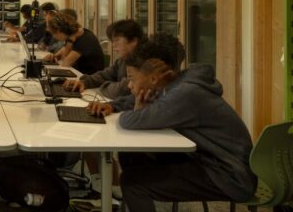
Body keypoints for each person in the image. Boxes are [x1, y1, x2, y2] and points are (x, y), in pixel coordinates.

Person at [87, 36, 255, 212]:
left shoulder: (186, 93)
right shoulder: (176, 83)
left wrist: (137, 104)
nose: (130, 85)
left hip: (229, 176)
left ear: (154, 76)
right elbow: (147, 99)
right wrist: (112, 105)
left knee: (133, 183)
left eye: (133, 78)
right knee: (132, 155)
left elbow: (130, 120)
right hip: (207, 160)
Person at [64, 19, 144, 98]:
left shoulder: (143, 62)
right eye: (112, 41)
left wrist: (104, 86)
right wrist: (84, 82)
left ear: (134, 41)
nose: (113, 45)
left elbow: (119, 91)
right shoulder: (123, 60)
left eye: (117, 40)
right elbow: (106, 75)